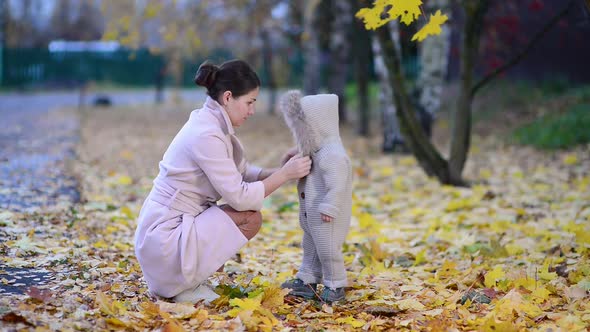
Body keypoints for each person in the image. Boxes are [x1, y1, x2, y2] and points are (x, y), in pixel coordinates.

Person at [134, 60, 312, 304]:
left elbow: (240, 172)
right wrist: (285, 175)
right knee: (250, 217)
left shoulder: (210, 122)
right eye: (249, 102)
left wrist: (280, 170)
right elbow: (239, 198)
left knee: (244, 214)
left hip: (166, 233)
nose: (251, 111)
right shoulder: (206, 133)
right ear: (228, 97)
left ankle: (185, 280)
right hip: (164, 241)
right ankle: (182, 286)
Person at [278, 90, 353, 303]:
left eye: (303, 129)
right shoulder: (317, 150)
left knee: (328, 251)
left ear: (316, 127)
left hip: (326, 217)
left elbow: (337, 185)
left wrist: (330, 206)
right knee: (310, 248)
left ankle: (335, 283)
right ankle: (307, 279)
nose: (299, 133)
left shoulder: (333, 155)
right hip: (312, 218)